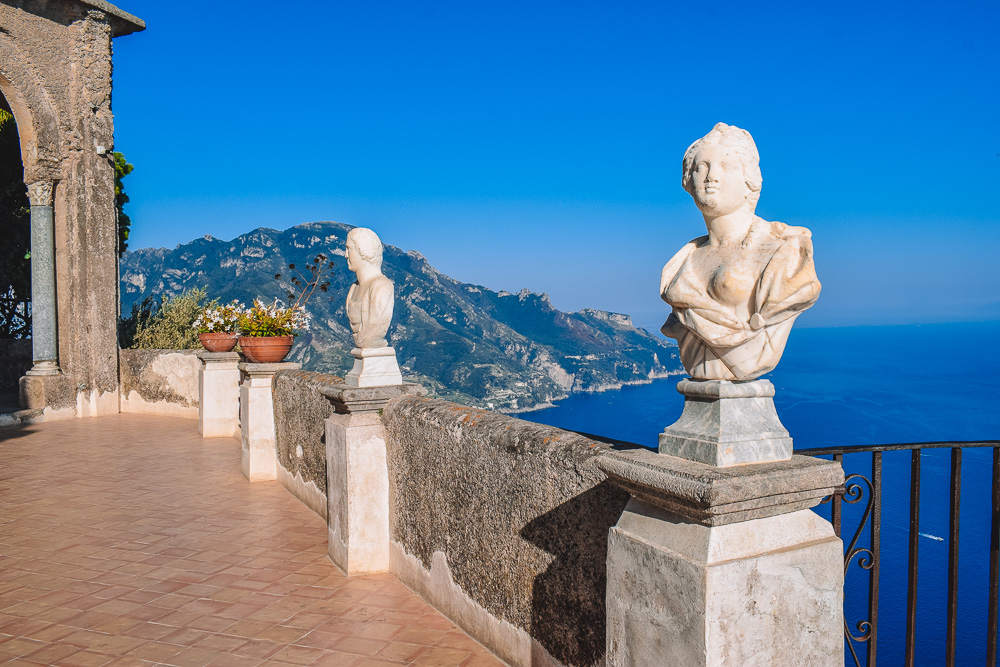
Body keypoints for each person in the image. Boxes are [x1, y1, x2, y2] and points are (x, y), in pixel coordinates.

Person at [660, 123, 821, 380]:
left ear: (749, 179)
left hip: (747, 366)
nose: (711, 176)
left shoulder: (782, 253)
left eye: (726, 166)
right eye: (701, 167)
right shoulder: (684, 259)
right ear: (688, 180)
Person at [345, 227, 394, 348]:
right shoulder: (354, 288)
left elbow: (374, 331)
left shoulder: (381, 286)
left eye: (348, 249)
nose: (345, 255)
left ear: (363, 251)